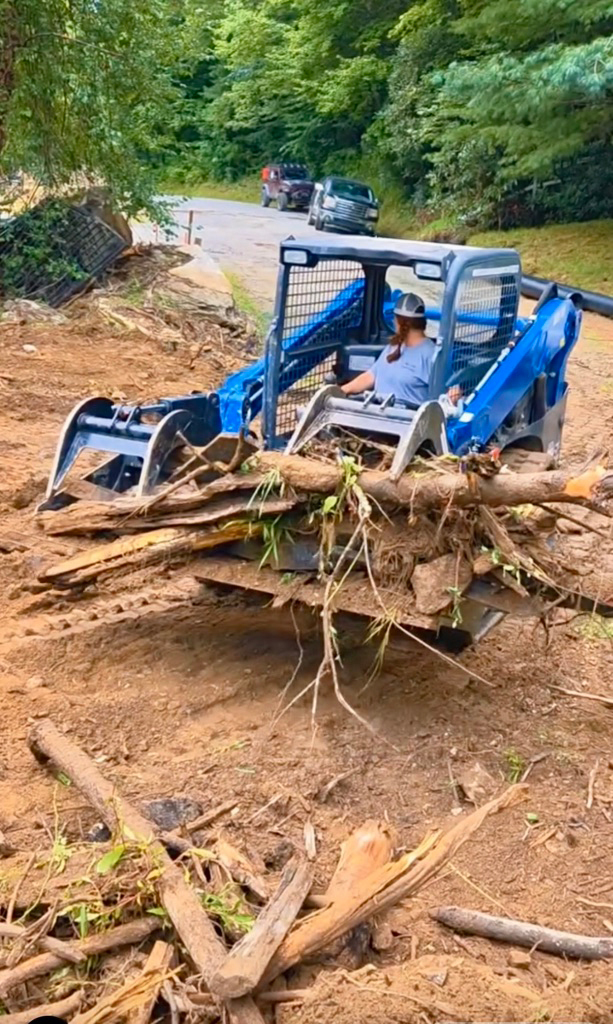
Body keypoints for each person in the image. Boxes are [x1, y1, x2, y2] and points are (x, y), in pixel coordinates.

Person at [341, 292, 460, 407]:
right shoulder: (393, 347)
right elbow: (372, 375)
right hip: (377, 412)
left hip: (407, 420)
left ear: (399, 322)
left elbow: (453, 389)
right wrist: (342, 390)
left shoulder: (431, 355)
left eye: (394, 318)